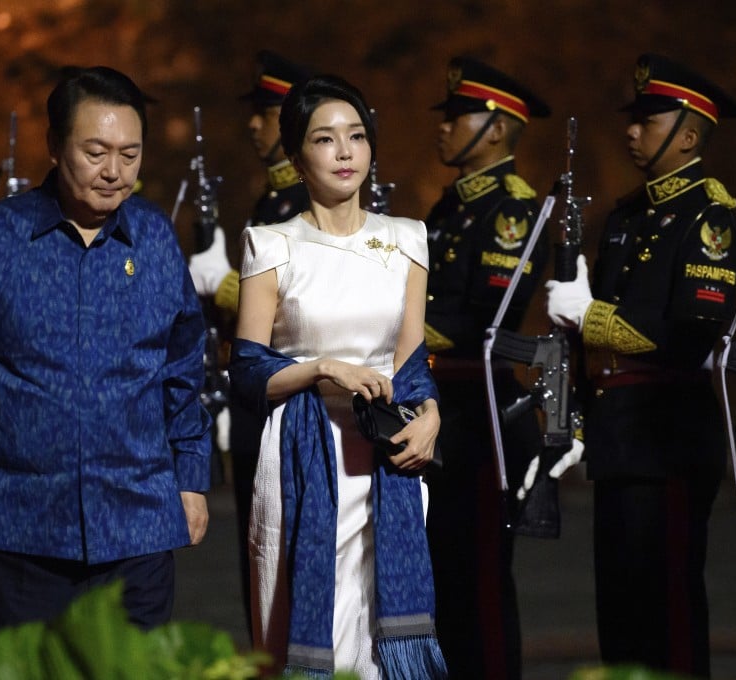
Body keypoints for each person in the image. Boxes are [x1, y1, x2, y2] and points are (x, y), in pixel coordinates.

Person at [0, 65, 213, 632]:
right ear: (53, 146)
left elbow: (183, 367)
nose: (114, 172)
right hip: (22, 530)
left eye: (130, 153)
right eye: (95, 152)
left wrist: (192, 478)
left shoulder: (154, 238)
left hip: (138, 525)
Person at [229, 74, 446, 679]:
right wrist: (321, 368)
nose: (345, 151)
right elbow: (246, 374)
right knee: (306, 625)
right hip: (304, 456)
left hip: (385, 459)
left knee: (379, 638)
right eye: (326, 139)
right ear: (298, 157)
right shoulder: (273, 244)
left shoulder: (406, 240)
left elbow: (411, 364)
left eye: (357, 136)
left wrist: (430, 414)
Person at [545, 53, 736, 677]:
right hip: (620, 439)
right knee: (622, 622)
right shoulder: (628, 216)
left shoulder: (709, 217)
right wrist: (574, 414)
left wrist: (587, 315)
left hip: (669, 439)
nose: (631, 130)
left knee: (670, 623)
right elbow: (593, 337)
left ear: (688, 134)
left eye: (648, 120)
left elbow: (688, 336)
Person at [420, 56, 551, 680]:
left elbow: (480, 320)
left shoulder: (512, 210)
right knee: (444, 582)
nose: (442, 128)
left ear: (496, 129)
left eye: (456, 116)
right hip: (440, 412)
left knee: (480, 586)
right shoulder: (451, 207)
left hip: (481, 419)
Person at [187, 48, 313, 635]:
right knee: (259, 553)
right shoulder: (272, 200)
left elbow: (301, 298)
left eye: (267, 113)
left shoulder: (307, 201)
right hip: (258, 400)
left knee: (287, 552)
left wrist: (229, 284)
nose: (254, 124)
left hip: (291, 398)